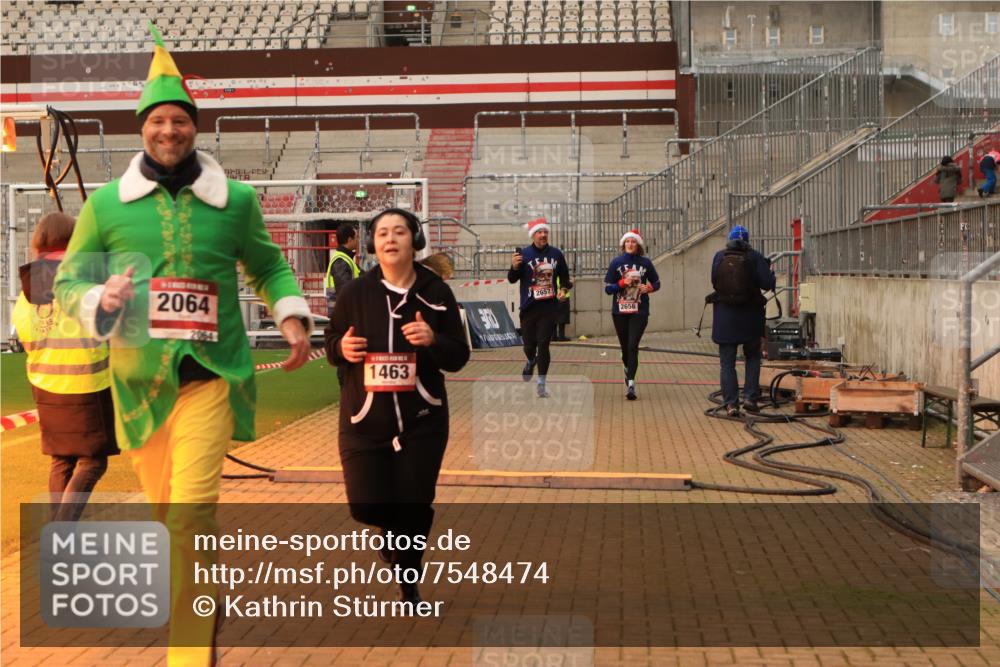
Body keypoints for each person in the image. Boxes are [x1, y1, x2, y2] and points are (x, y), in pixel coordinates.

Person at [54, 25, 313, 666]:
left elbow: (270, 265)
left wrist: (291, 317)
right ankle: (205, 599)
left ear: (196, 127)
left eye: (180, 121)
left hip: (212, 378)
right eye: (157, 121)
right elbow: (63, 280)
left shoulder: (237, 202)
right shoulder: (108, 206)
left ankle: (189, 653)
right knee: (169, 521)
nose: (168, 131)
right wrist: (98, 300)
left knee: (190, 516)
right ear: (141, 128)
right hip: (140, 387)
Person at [325, 207, 469, 604]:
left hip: (423, 420)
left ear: (414, 240)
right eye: (382, 233)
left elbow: (458, 356)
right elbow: (331, 339)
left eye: (399, 232)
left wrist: (432, 339)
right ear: (372, 243)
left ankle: (409, 578)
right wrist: (342, 348)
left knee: (414, 504)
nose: (390, 239)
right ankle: (397, 544)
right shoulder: (356, 292)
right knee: (366, 507)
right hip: (364, 419)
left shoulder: (437, 293)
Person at [12, 212, 119, 522]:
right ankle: (62, 529)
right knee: (92, 461)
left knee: (61, 460)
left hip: (45, 386)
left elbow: (24, 330)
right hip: (87, 384)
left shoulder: (28, 286)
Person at [709, 225, 775, 416]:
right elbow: (768, 284)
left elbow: (714, 281)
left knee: (727, 362)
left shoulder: (719, 256)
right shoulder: (755, 256)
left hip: (725, 318)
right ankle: (750, 398)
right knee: (753, 358)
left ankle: (730, 404)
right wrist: (769, 270)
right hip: (750, 317)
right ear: (747, 240)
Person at [507, 218, 572, 398]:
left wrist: (564, 289)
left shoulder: (556, 254)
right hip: (529, 307)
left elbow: (566, 278)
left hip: (549, 306)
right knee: (529, 345)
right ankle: (530, 360)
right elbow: (512, 279)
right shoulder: (524, 254)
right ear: (533, 235)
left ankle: (541, 383)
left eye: (545, 232)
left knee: (544, 344)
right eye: (539, 232)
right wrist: (514, 267)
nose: (543, 235)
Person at [604, 229, 660, 401]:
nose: (630, 244)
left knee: (633, 345)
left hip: (639, 311)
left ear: (638, 245)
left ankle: (631, 385)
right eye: (627, 242)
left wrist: (648, 288)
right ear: (623, 244)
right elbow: (608, 289)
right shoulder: (616, 263)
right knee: (625, 347)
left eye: (633, 242)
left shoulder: (646, 263)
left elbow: (657, 282)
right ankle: (627, 368)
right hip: (620, 311)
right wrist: (621, 283)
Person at [324, 222, 361, 318]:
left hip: (344, 314)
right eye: (356, 237)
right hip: (342, 316)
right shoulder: (340, 261)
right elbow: (344, 291)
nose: (358, 240)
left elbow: (364, 276)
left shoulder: (346, 259)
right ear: (349, 240)